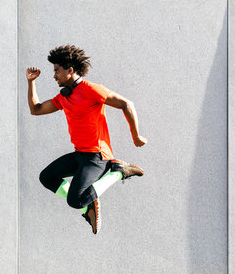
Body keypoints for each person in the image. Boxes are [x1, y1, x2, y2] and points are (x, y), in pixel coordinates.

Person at [26, 44, 147, 234]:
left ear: (70, 70)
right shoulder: (63, 97)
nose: (54, 75)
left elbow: (126, 103)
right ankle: (89, 207)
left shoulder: (90, 89)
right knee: (47, 177)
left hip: (97, 157)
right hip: (80, 155)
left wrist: (136, 135)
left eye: (57, 70)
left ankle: (119, 171)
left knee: (74, 200)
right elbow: (36, 109)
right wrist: (31, 82)